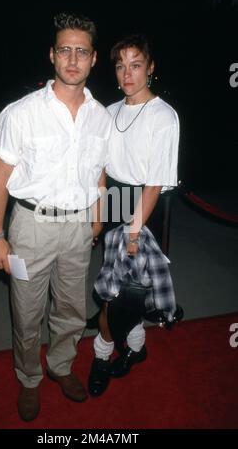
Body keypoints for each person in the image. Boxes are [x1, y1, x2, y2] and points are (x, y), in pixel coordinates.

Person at [0, 12, 111, 421]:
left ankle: (61, 367)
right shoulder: (21, 112)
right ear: (52, 56)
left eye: (82, 51)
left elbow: (100, 172)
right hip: (30, 227)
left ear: (93, 59)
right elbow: (0, 177)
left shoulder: (101, 116)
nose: (73, 59)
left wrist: (99, 217)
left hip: (78, 226)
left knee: (72, 309)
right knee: (26, 311)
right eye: (65, 50)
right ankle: (28, 379)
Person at [88, 33, 180, 397]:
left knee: (116, 295)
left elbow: (155, 183)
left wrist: (132, 231)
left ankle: (101, 353)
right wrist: (99, 216)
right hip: (113, 200)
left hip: (143, 207)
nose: (127, 73)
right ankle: (138, 347)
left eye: (136, 64)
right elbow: (101, 169)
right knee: (125, 291)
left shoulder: (164, 116)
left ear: (151, 68)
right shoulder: (109, 112)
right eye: (120, 65)